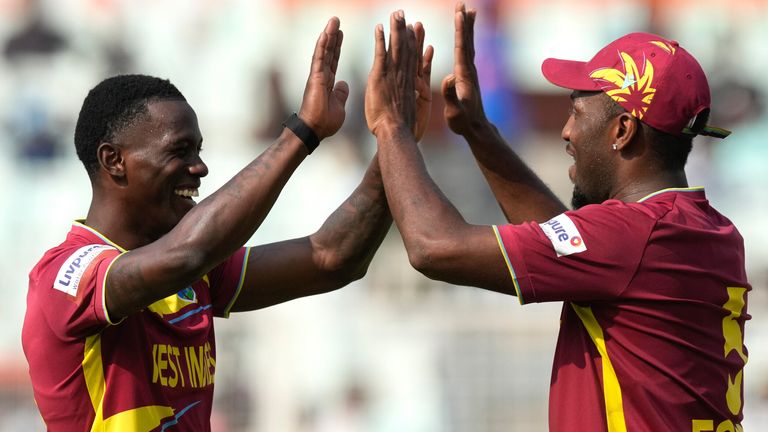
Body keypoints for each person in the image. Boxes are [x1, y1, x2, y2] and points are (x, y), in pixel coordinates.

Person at [21, 17, 432, 431]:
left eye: (198, 151)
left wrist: (394, 140)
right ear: (114, 160)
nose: (199, 167)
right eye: (179, 151)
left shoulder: (194, 272)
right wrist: (302, 132)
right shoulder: (65, 277)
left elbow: (333, 258)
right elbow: (188, 253)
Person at [365, 3, 750, 431]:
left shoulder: (631, 236)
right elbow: (573, 243)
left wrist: (391, 127)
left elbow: (433, 247)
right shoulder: (712, 231)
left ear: (623, 131)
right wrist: (478, 131)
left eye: (577, 113)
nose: (566, 132)